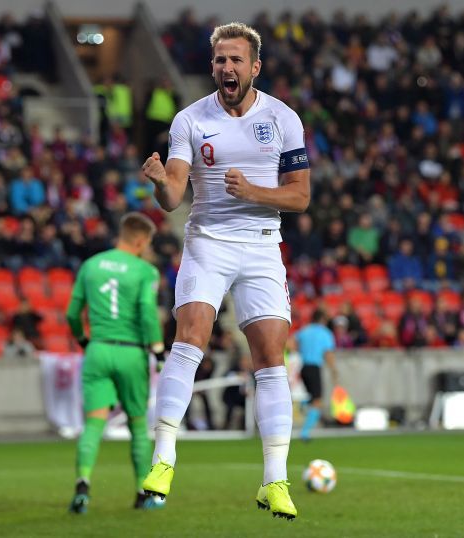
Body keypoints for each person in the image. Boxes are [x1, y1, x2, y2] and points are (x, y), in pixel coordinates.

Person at [140, 22, 310, 520]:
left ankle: (274, 481)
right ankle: (163, 462)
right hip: (208, 243)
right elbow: (174, 195)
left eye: (236, 60)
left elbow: (299, 196)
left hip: (261, 246)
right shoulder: (190, 120)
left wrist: (254, 192)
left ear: (254, 66)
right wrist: (158, 183)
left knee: (270, 358)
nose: (227, 68)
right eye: (220, 61)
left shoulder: (283, 118)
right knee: (190, 336)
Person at [65, 212, 165, 514]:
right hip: (131, 352)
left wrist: (84, 341)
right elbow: (147, 312)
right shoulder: (145, 271)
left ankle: (83, 484)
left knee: (94, 424)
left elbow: (72, 313)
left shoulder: (91, 265)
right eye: (147, 242)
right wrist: (158, 350)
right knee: (137, 424)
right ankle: (142, 492)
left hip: (98, 350)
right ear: (139, 240)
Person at [293, 309, 336, 441]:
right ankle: (305, 433)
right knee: (317, 401)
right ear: (323, 319)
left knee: (312, 397)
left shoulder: (304, 331)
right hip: (314, 367)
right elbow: (327, 352)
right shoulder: (325, 333)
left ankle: (302, 404)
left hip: (303, 367)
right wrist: (333, 369)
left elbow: (292, 342)